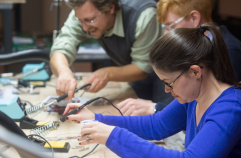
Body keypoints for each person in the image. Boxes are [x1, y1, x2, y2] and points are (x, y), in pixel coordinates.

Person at [63, 23, 241, 158]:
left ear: (195, 72)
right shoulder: (194, 96)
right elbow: (156, 125)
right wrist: (96, 118)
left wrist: (114, 136)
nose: (166, 89)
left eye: (169, 82)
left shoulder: (229, 110)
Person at [117, 0, 241, 116]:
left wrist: (156, 108)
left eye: (170, 25)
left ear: (194, 18)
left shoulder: (230, 51)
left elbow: (212, 110)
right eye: (164, 27)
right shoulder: (193, 47)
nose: (166, 33)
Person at [49, 0, 173, 106]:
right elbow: (60, 47)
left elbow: (143, 67)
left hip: (167, 75)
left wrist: (107, 74)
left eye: (89, 20)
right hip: (136, 75)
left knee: (166, 120)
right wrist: (64, 72)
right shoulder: (83, 12)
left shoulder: (144, 15)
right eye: (80, 21)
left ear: (110, 8)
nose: (84, 28)